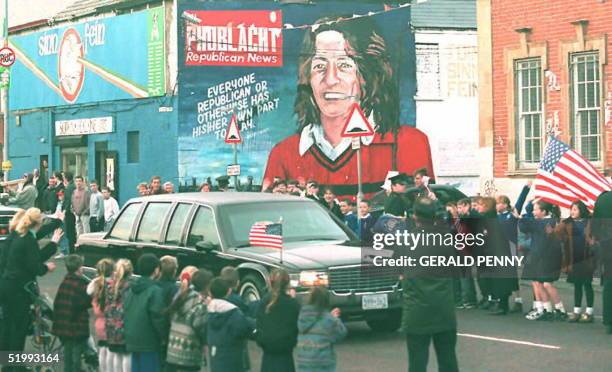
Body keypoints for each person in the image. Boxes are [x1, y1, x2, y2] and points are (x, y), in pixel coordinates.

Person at [262, 16, 434, 199]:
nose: (330, 80)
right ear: (307, 77)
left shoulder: (407, 144)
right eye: (319, 65)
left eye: (344, 65)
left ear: (366, 75)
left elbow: (421, 214)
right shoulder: (284, 153)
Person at [401, 197, 459, 372]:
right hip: (443, 308)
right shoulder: (445, 240)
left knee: (417, 362)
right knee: (448, 359)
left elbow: (400, 274)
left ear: (415, 216)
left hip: (416, 310)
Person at [0, 208, 62, 356]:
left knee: (8, 324)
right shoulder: (27, 240)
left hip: (7, 286)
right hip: (18, 289)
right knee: (18, 327)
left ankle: (6, 362)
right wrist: (47, 264)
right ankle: (14, 366)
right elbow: (35, 265)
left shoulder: (17, 238)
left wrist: (56, 222)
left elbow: (36, 239)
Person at [519, 201, 566, 321]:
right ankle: (545, 308)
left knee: (546, 283)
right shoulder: (540, 222)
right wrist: (529, 207)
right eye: (533, 210)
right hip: (538, 256)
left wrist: (524, 215)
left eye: (536, 210)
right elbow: (524, 227)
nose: (534, 212)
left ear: (544, 211)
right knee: (537, 282)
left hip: (548, 257)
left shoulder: (549, 222)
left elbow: (526, 225)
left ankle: (560, 309)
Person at [474, 197, 518, 315]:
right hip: (492, 254)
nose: (477, 207)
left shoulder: (490, 218)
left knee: (500, 282)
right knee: (493, 281)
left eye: (480, 205)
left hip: (497, 255)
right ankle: (497, 303)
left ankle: (503, 306)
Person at [552, 201, 595, 322]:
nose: (572, 212)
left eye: (575, 209)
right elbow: (556, 234)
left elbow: (596, 236)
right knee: (577, 285)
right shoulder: (567, 223)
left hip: (587, 259)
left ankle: (589, 312)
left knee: (587, 285)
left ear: (581, 210)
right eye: (571, 209)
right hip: (574, 259)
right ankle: (576, 311)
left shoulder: (589, 222)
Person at [124, 254, 167, 372]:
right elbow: (158, 317)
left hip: (132, 338)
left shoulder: (132, 289)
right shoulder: (155, 291)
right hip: (149, 341)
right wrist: (165, 336)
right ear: (156, 269)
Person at [166, 269, 214, 372]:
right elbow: (202, 330)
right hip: (189, 355)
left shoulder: (181, 296)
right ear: (207, 286)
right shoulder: (200, 305)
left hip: (172, 352)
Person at [52, 254, 91, 372]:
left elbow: (57, 303)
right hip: (76, 326)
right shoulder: (81, 284)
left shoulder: (65, 281)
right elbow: (85, 303)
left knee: (68, 355)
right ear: (79, 269)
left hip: (63, 326)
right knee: (76, 357)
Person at [256, 269, 300, 372]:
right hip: (286, 351)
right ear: (287, 284)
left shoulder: (264, 302)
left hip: (268, 351)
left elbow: (260, 323)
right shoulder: (293, 304)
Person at [207, 277, 255, 372]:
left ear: (210, 293)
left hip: (215, 361)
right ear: (229, 291)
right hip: (233, 362)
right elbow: (245, 329)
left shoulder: (208, 312)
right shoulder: (234, 314)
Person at [296, 286, 347, 372]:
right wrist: (335, 318)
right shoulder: (328, 319)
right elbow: (341, 333)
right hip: (322, 362)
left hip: (303, 360)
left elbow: (316, 319)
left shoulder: (302, 316)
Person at [105, 259, 134, 372]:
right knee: (127, 356)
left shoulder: (111, 286)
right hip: (125, 325)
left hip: (112, 325)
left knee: (116, 355)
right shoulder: (131, 287)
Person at [86, 258, 115, 372]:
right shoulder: (116, 282)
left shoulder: (95, 283)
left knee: (103, 348)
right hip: (114, 322)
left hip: (100, 322)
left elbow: (89, 291)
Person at [591, 191, 612, 334]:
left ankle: (609, 320)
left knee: (609, 283)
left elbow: (595, 224)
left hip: (607, 245)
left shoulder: (603, 198)